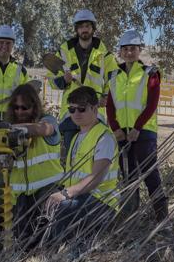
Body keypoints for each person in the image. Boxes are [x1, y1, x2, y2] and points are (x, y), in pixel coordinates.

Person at [106, 30, 168, 221]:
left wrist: (137, 128)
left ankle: (161, 216)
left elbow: (152, 104)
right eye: (125, 49)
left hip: (144, 132)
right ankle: (131, 215)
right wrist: (115, 128)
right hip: (122, 134)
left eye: (133, 48)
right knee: (128, 175)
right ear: (121, 52)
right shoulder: (114, 75)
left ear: (139, 50)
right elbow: (110, 104)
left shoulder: (150, 73)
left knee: (150, 174)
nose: (129, 52)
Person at [45, 86, 120, 242]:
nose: (76, 114)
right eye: (72, 109)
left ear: (94, 108)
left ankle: (63, 253)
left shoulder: (103, 137)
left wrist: (65, 194)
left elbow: (95, 178)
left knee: (62, 207)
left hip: (102, 202)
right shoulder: (77, 137)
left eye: (81, 109)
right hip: (82, 197)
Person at [47, 9, 117, 151]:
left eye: (87, 26)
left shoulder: (105, 55)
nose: (84, 29)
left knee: (92, 157)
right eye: (81, 26)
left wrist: (105, 97)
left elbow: (114, 81)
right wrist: (63, 80)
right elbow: (51, 80)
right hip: (72, 115)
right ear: (76, 29)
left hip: (95, 114)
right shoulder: (64, 51)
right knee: (71, 158)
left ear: (93, 28)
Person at [5, 84, 63, 246]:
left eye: (25, 108)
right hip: (21, 196)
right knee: (23, 242)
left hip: (47, 191)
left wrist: (8, 130)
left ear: (35, 106)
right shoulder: (8, 133)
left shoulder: (48, 120)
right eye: (16, 108)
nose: (20, 112)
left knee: (46, 240)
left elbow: (41, 130)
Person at [0, 25, 28, 125]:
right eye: (1, 42)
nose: (4, 46)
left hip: (13, 121)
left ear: (13, 45)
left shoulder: (20, 70)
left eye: (8, 43)